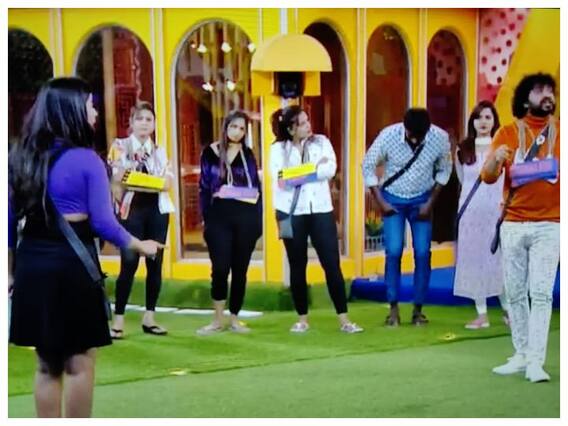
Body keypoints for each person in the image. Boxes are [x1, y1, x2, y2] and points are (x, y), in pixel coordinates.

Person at [8, 77, 163, 417]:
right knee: (79, 362)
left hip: (32, 262)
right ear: (72, 111)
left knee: (46, 364)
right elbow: (104, 223)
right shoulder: (87, 159)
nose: (94, 113)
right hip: (73, 264)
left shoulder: (18, 156)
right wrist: (141, 245)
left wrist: (9, 270)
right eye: (90, 106)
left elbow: (7, 222)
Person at [482, 73, 559, 382]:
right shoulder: (507, 133)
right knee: (515, 292)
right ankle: (522, 353)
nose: (548, 95)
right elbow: (488, 176)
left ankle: (536, 361)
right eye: (540, 91)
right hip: (513, 223)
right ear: (526, 99)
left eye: (551, 91)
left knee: (540, 293)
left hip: (551, 225)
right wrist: (496, 159)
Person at [269, 105, 363, 334]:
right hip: (289, 212)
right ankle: (302, 319)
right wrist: (313, 170)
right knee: (297, 264)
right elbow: (281, 179)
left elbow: (329, 169)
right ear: (290, 129)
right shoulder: (278, 150)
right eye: (301, 123)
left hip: (321, 210)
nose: (308, 126)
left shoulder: (322, 142)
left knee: (331, 263)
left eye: (307, 120)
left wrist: (299, 174)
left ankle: (344, 319)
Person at [362, 108, 452, 327]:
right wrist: (381, 203)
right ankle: (393, 309)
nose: (415, 140)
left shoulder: (439, 138)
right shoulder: (389, 136)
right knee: (393, 251)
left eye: (420, 137)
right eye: (412, 135)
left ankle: (418, 310)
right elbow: (368, 165)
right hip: (392, 199)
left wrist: (430, 204)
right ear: (405, 128)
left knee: (422, 253)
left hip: (422, 199)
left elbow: (444, 170)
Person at [107, 102, 175, 339]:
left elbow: (167, 183)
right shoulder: (119, 146)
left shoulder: (160, 150)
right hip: (131, 209)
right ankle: (118, 319)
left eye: (149, 119)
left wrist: (136, 180)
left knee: (155, 264)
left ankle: (150, 318)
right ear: (131, 122)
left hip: (157, 210)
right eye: (140, 119)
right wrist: (149, 182)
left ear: (154, 124)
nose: (144, 123)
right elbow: (119, 176)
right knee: (129, 262)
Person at [196, 110, 263, 335]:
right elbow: (204, 188)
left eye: (242, 128)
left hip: (245, 216)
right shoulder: (210, 152)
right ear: (225, 127)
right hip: (218, 217)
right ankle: (217, 319)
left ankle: (234, 318)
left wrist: (257, 223)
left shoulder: (248, 154)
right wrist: (206, 219)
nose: (237, 132)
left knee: (240, 269)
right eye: (234, 126)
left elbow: (256, 187)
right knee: (220, 268)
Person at [453, 101, 510, 329]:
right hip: (470, 213)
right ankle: (482, 314)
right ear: (472, 121)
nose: (483, 122)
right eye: (478, 117)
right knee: (474, 260)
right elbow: (462, 180)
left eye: (488, 117)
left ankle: (509, 311)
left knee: (499, 260)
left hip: (496, 211)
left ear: (494, 120)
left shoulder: (502, 147)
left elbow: (507, 179)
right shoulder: (462, 149)